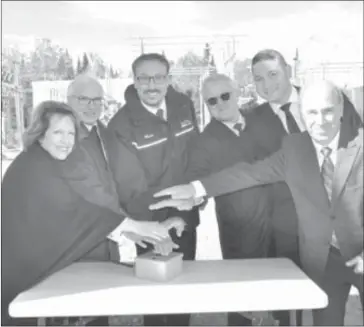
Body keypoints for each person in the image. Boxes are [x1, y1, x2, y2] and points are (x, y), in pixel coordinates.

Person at [150, 80, 364, 326]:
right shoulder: (295, 148)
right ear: (303, 114)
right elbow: (249, 173)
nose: (321, 120)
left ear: (341, 110)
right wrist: (195, 188)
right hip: (323, 261)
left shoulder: (359, 144)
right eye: (312, 112)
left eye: (328, 111)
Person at [1, 101, 170, 326]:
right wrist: (137, 227)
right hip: (19, 269)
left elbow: (77, 212)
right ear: (40, 134)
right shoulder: (35, 168)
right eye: (58, 132)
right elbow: (76, 211)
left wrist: (134, 231)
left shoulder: (43, 160)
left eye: (71, 133)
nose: (66, 141)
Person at [107, 53, 200, 326]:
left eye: (159, 77)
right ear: (134, 82)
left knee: (183, 294)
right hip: (150, 227)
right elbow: (129, 185)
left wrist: (190, 209)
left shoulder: (183, 105)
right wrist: (153, 229)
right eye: (144, 78)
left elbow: (196, 158)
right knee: (155, 300)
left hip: (186, 219)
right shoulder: (121, 126)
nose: (151, 85)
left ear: (169, 80)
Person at [187, 73, 274, 326]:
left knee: (282, 293)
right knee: (243, 301)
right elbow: (196, 183)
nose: (220, 103)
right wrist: (189, 202)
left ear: (237, 93)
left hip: (279, 225)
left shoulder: (263, 122)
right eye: (212, 101)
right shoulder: (204, 141)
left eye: (225, 96)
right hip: (241, 232)